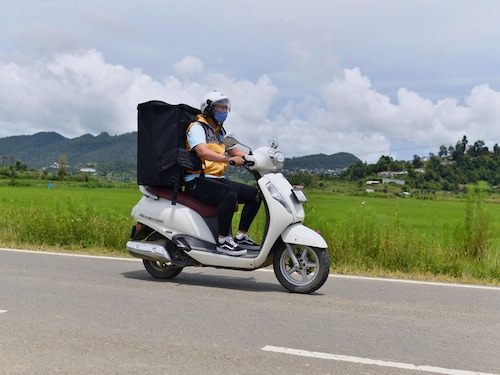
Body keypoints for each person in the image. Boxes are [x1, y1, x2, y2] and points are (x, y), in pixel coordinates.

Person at [184, 91, 261, 256]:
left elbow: (235, 151)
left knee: (255, 195)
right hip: (197, 181)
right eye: (221, 107)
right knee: (229, 195)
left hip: (217, 179)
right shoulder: (197, 128)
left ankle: (241, 235)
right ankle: (223, 241)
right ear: (210, 109)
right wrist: (227, 160)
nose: (225, 111)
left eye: (226, 108)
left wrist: (256, 159)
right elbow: (202, 152)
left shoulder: (219, 131)